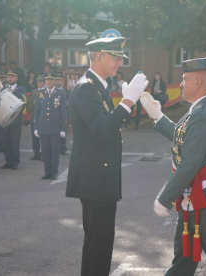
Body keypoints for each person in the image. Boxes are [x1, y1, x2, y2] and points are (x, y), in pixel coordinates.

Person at [140, 56, 206, 276]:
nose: (181, 84)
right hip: (198, 197)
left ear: (197, 82)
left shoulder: (204, 114)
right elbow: (182, 137)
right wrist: (158, 116)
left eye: (185, 79)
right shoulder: (202, 109)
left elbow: (189, 163)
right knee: (184, 260)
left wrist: (165, 197)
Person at [66, 37, 148, 276]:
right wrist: (127, 103)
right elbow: (101, 129)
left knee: (100, 243)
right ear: (98, 56)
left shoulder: (96, 85)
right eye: (114, 57)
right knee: (98, 244)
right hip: (94, 178)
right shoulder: (86, 88)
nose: (119, 63)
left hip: (99, 176)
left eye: (120, 58)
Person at [34, 72, 67, 180]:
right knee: (45, 151)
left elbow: (64, 113)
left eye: (51, 80)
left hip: (55, 128)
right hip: (43, 126)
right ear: (45, 81)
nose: (49, 82)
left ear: (55, 81)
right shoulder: (40, 93)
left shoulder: (60, 93)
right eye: (47, 80)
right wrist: (36, 127)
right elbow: (37, 112)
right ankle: (47, 171)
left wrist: (63, 129)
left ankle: (54, 172)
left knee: (54, 151)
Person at [0, 69, 26, 170]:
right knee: (6, 142)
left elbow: (23, 100)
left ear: (16, 78)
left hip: (16, 119)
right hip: (5, 118)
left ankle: (15, 162)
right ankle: (8, 161)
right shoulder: (3, 88)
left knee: (15, 142)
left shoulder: (21, 88)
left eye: (12, 76)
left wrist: (13, 92)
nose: (10, 78)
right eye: (8, 76)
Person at [28, 75, 45, 160]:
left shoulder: (46, 91)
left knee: (43, 137)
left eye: (41, 81)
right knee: (34, 136)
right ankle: (36, 153)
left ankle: (44, 154)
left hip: (43, 117)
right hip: (34, 116)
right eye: (38, 82)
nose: (39, 83)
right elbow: (30, 104)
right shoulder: (34, 91)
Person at [55, 73, 70, 155]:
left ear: (63, 81)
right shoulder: (53, 91)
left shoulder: (67, 92)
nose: (58, 82)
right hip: (54, 114)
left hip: (64, 114)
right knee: (54, 131)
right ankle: (56, 147)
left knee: (63, 131)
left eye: (59, 80)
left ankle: (63, 147)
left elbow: (70, 102)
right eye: (56, 80)